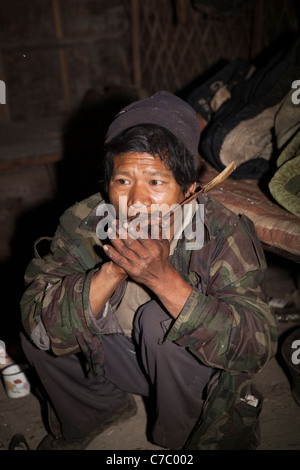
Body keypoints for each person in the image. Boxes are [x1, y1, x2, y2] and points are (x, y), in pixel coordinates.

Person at [20, 91, 278, 450]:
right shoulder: (87, 221)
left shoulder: (219, 231)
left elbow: (256, 348)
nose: (137, 200)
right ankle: (98, 411)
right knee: (43, 318)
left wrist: (163, 280)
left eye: (156, 182)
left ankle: (181, 436)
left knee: (159, 320)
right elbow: (37, 320)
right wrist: (113, 271)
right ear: (107, 186)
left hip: (187, 373)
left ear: (188, 190)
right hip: (116, 362)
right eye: (123, 181)